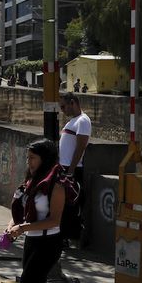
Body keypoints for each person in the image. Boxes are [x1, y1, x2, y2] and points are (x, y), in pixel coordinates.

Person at [7, 139, 66, 283]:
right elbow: (20, 212)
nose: (28, 162)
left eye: (33, 158)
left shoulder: (56, 185)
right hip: (31, 242)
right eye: (27, 158)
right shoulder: (31, 181)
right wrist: (11, 227)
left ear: (45, 159)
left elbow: (54, 220)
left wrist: (22, 228)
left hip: (49, 243)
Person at [59, 92, 91, 247]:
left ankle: (66, 237)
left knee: (69, 205)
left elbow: (80, 147)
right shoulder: (73, 121)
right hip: (65, 167)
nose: (62, 110)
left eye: (63, 107)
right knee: (62, 204)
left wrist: (70, 170)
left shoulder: (83, 121)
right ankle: (63, 236)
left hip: (72, 168)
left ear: (73, 102)